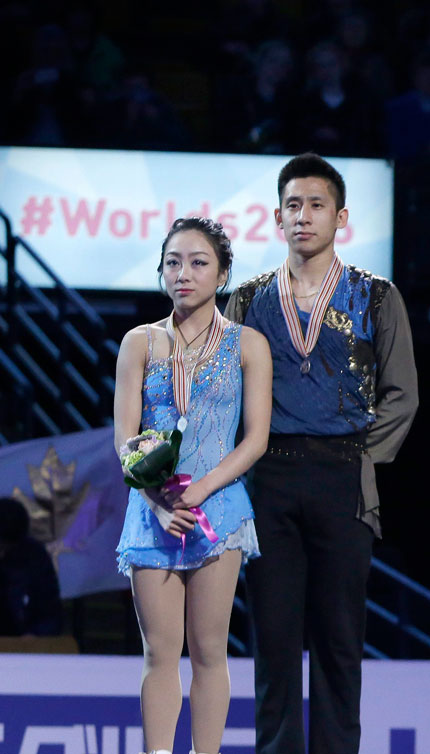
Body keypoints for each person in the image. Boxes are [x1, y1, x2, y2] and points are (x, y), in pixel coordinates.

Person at [225, 153, 419, 754]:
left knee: (339, 638)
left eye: (316, 205)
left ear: (341, 217)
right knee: (274, 639)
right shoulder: (247, 300)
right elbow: (223, 392)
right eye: (292, 206)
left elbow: (402, 396)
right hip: (267, 479)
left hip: (344, 477)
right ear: (276, 219)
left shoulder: (378, 296)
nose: (303, 216)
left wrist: (362, 460)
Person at [113, 217, 271, 754]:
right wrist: (157, 500)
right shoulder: (140, 342)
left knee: (209, 650)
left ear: (223, 273)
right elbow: (124, 439)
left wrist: (202, 490)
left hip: (219, 509)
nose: (184, 273)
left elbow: (255, 440)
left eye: (199, 262)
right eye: (173, 262)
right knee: (160, 652)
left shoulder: (249, 345)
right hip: (151, 510)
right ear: (160, 271)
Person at [0, 496, 62, 636]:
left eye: (5, 548)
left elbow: (49, 610)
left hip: (24, 645)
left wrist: (35, 635)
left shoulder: (34, 558)